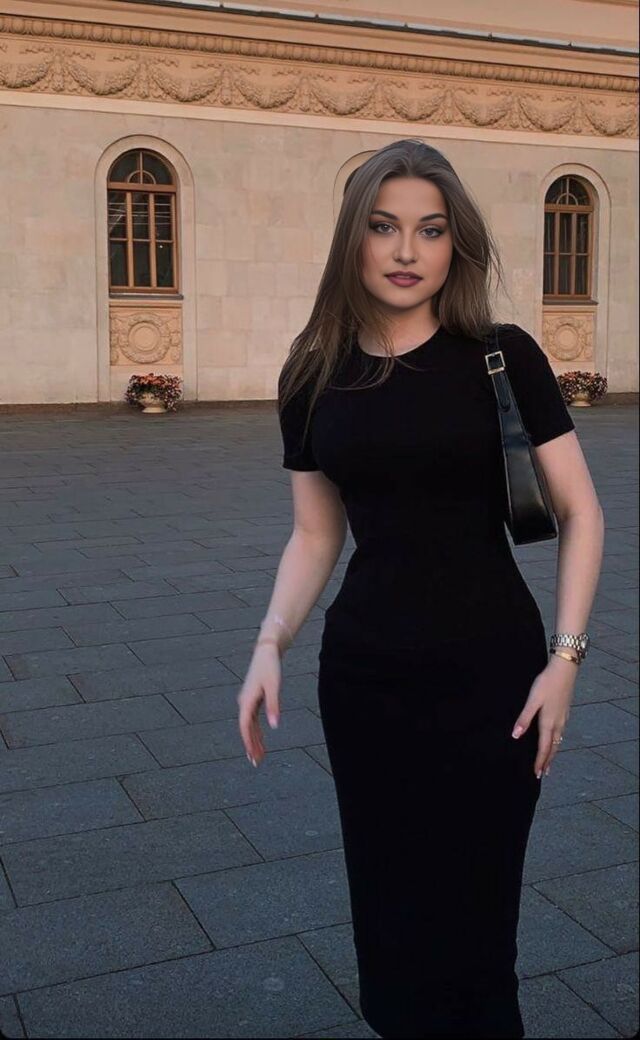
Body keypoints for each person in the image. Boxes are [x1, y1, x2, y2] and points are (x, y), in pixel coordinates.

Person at [237, 138, 605, 1039]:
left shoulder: (502, 356)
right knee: (393, 923)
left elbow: (582, 512)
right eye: (384, 226)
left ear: (455, 243)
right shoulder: (312, 373)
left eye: (431, 230)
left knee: (478, 931)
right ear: (353, 240)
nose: (407, 250)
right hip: (367, 684)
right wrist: (269, 642)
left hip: (494, 681)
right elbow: (315, 533)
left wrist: (564, 662)